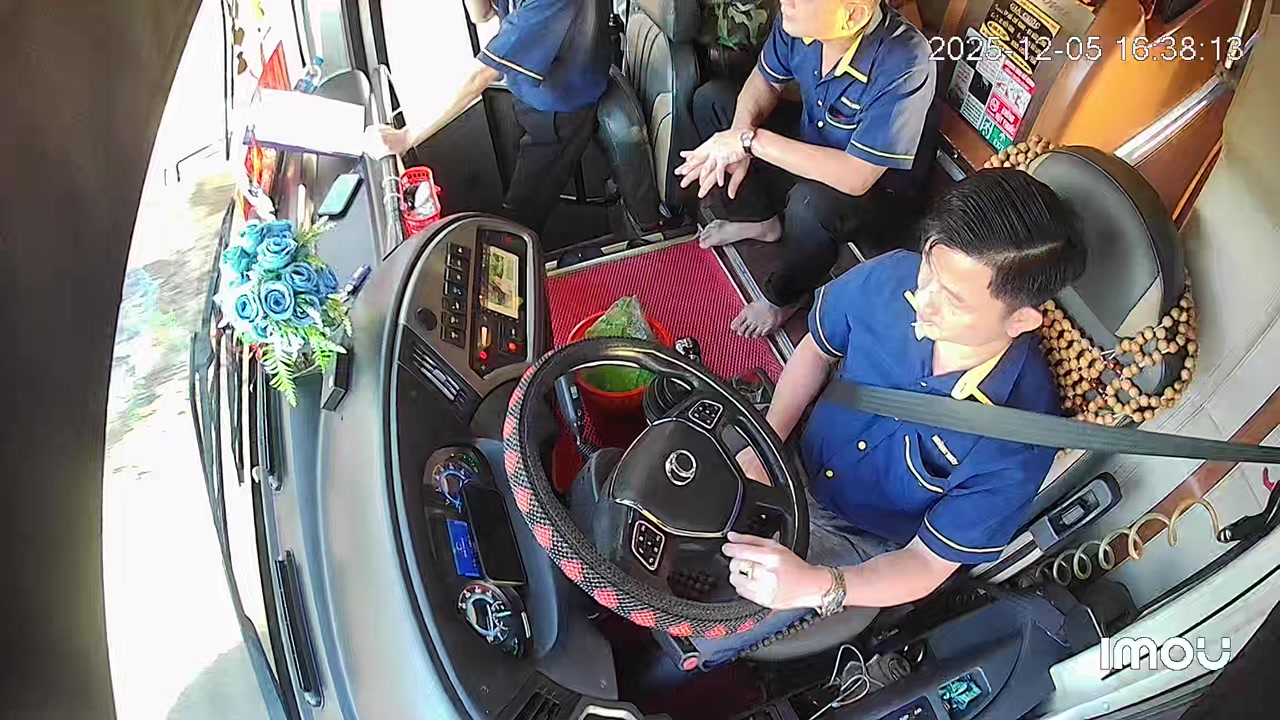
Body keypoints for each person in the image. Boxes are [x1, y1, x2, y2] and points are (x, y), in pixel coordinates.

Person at [692, 169, 1087, 666]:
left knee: (710, 624)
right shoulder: (892, 277)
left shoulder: (1016, 440)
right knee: (670, 491)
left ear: (1020, 319)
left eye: (954, 300)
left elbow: (926, 563)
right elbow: (815, 350)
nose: (924, 301)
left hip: (858, 540)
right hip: (790, 454)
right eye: (930, 271)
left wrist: (818, 585)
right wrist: (767, 442)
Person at [676, 0, 935, 338]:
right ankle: (763, 221)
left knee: (810, 203)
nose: (787, 1)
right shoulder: (799, 21)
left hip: (876, 195)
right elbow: (764, 81)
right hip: (814, 143)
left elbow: (857, 176)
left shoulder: (906, 60)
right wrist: (737, 136)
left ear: (853, 15)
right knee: (713, 102)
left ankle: (784, 297)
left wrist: (748, 142)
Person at [367, 0, 610, 235]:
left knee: (524, 209)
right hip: (529, 88)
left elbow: (481, 76)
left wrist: (406, 137)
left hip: (560, 107)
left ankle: (521, 241)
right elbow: (481, 15)